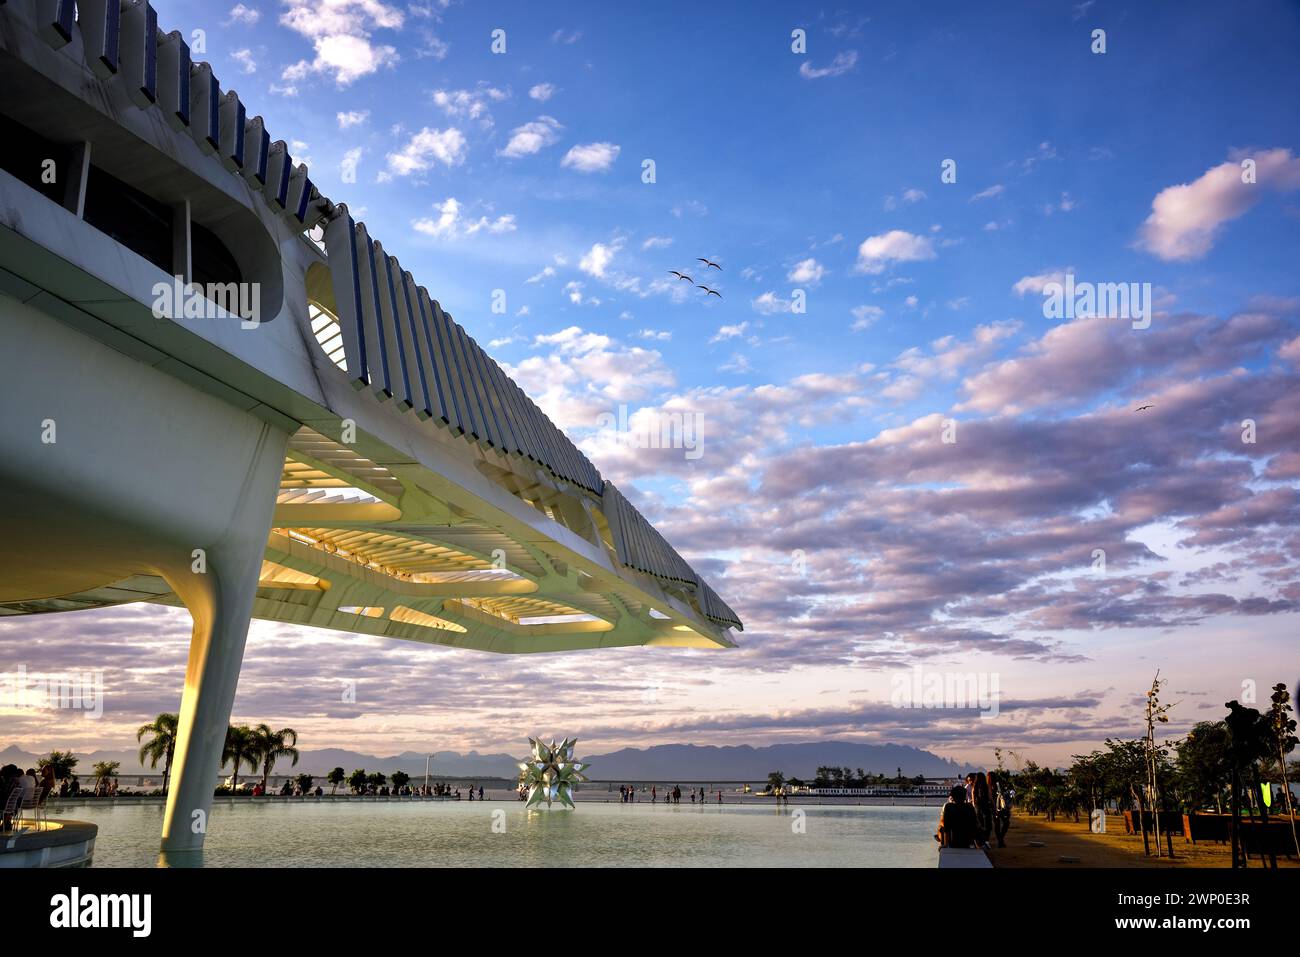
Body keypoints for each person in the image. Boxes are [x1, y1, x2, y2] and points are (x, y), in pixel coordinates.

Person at [971, 772, 993, 849]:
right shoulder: (987, 786)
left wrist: (975, 807)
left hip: (978, 807)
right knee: (988, 825)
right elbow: (990, 798)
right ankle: (986, 841)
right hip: (986, 807)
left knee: (980, 824)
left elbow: (973, 801)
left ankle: (981, 842)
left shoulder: (974, 787)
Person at [991, 774, 1012, 848]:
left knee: (998, 825)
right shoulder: (995, 786)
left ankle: (1000, 840)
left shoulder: (990, 787)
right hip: (1001, 808)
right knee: (1005, 823)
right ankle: (1000, 840)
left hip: (997, 808)